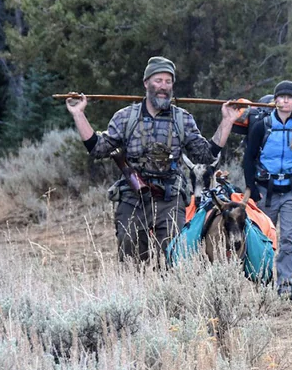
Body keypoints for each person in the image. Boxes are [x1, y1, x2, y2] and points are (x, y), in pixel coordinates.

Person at [65, 56, 239, 264]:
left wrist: (227, 121)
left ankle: (170, 295)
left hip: (170, 197)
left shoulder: (183, 119)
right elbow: (98, 149)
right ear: (146, 83)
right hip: (133, 195)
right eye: (158, 80)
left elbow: (205, 154)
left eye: (168, 81)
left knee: (175, 257)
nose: (163, 87)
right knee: (129, 256)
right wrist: (78, 115)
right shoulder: (125, 117)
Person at [243, 81, 292, 295]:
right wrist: (254, 191)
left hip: (291, 194)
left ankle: (284, 286)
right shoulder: (261, 126)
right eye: (281, 97)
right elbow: (248, 159)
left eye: (289, 97)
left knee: (288, 241)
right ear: (275, 100)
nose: (285, 100)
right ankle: (262, 284)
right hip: (266, 192)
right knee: (264, 240)